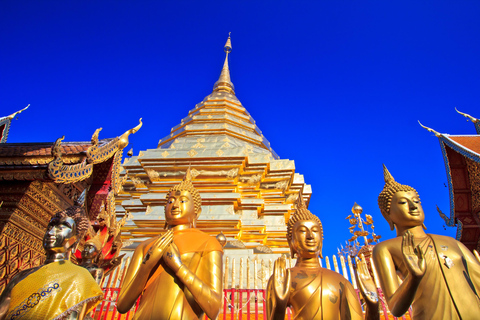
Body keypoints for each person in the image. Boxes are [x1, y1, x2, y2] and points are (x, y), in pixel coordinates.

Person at [373, 165, 480, 319]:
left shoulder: (452, 242)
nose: (413, 206)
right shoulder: (385, 248)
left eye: (416, 201)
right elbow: (395, 309)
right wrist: (413, 278)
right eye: (403, 203)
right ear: (387, 214)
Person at [116, 168, 223, 320]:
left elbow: (214, 308)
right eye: (170, 201)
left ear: (197, 212)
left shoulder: (208, 243)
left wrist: (179, 267)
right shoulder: (145, 247)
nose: (175, 205)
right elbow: (122, 305)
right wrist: (148, 263)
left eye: (183, 201)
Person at [266, 197, 378, 320]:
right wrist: (279, 307)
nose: (310, 236)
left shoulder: (341, 281)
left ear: (322, 240)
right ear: (290, 242)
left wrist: (373, 306)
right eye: (302, 231)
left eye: (315, 231)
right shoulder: (284, 279)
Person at [0, 206, 103, 320]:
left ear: (75, 240)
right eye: (50, 226)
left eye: (61, 228)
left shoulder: (79, 277)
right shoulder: (21, 276)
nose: (51, 232)